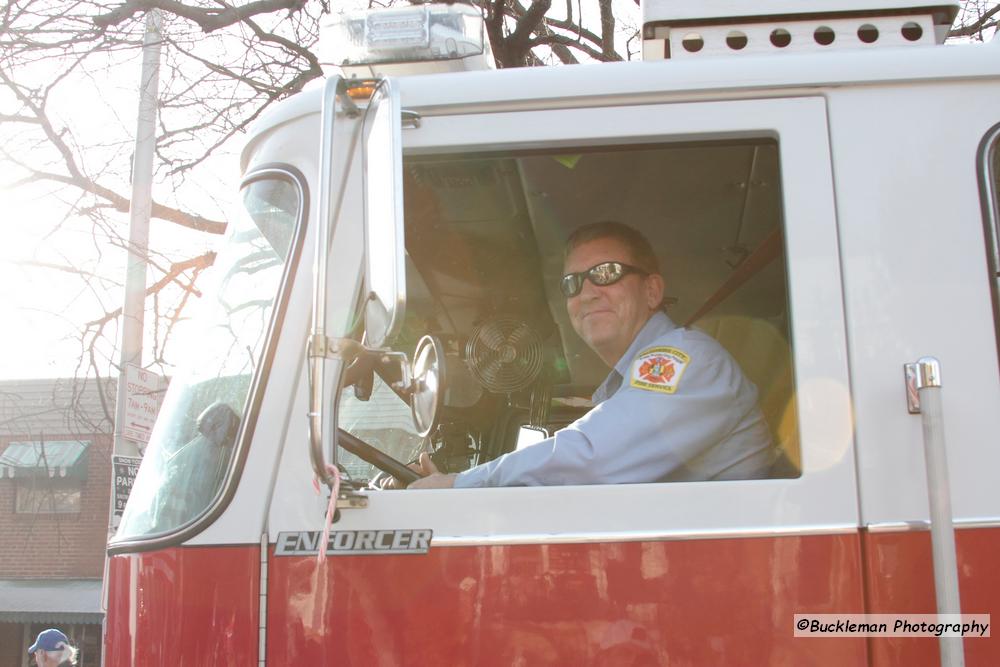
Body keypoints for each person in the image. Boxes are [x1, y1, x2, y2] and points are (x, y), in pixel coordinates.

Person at [406, 221, 775, 489]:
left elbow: (588, 459)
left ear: (652, 291)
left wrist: (460, 485)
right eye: (573, 283)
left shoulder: (686, 360)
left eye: (606, 273)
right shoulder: (625, 386)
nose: (587, 292)